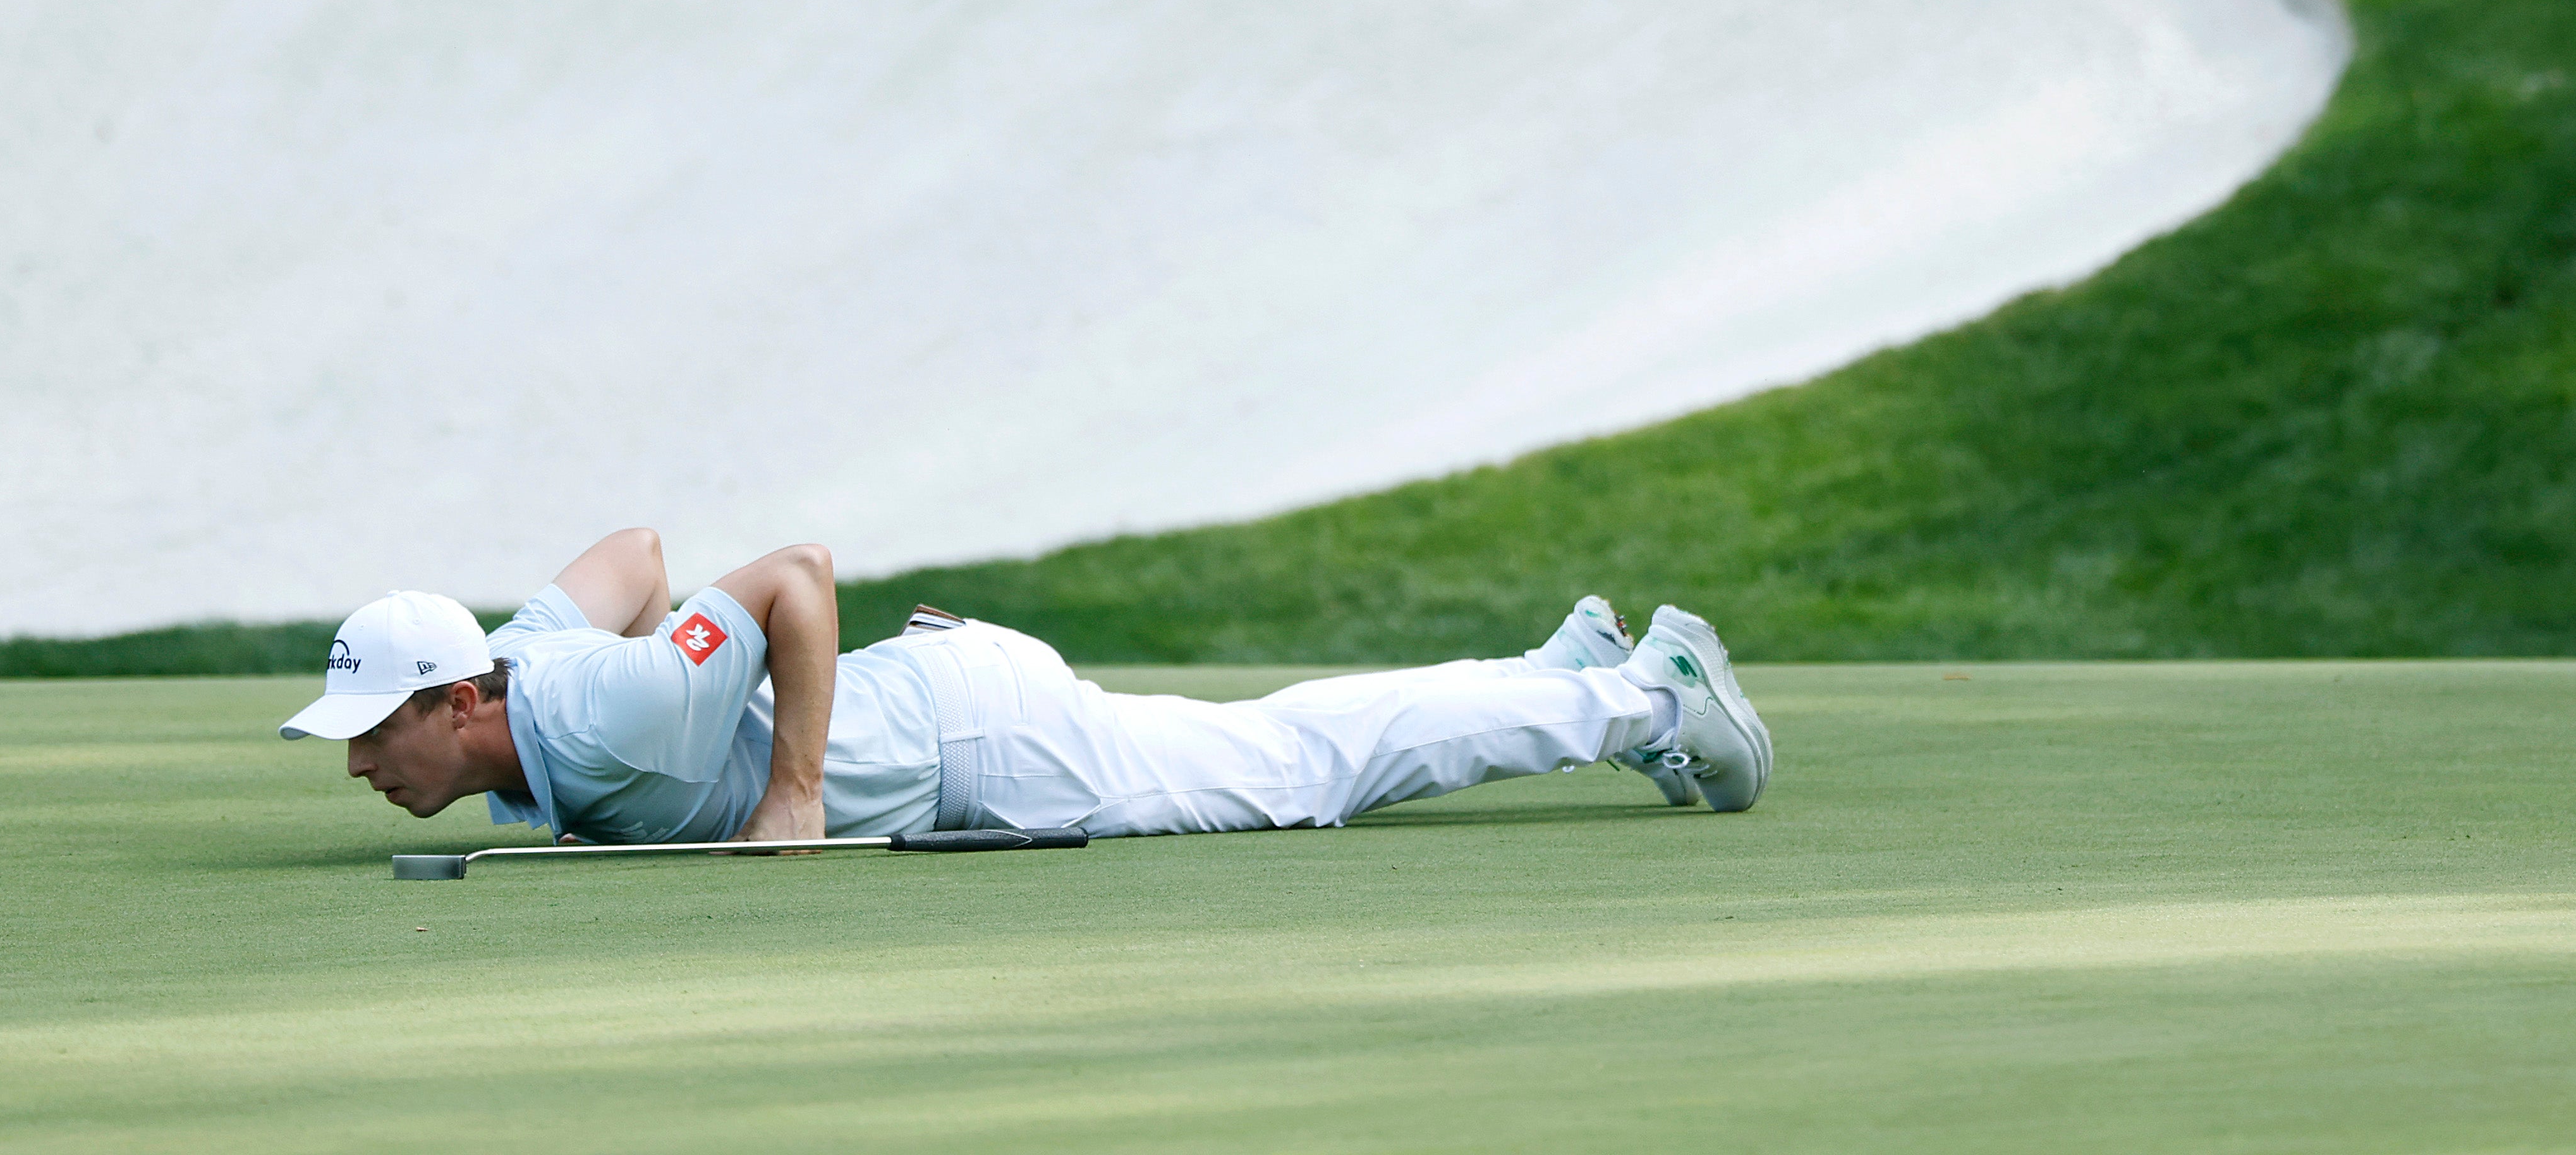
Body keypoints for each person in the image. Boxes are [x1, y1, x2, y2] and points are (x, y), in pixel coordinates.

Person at [279, 527, 1771, 843]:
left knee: (1311, 765)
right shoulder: (549, 663)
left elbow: (790, 572)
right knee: (1294, 736)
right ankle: (1556, 668)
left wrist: (789, 793)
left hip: (980, 746)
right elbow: (634, 556)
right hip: (952, 702)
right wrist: (706, 694)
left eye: (376, 730)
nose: (358, 765)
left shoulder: (584, 704)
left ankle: (1646, 695)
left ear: (463, 698)